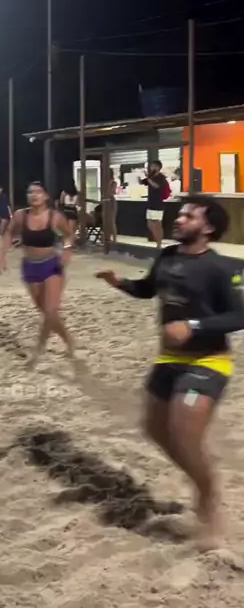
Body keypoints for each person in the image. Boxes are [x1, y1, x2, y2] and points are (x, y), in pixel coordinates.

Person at [96, 194, 244, 549]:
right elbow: (149, 289)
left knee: (185, 428)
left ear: (208, 227)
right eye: (179, 214)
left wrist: (193, 326)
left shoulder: (223, 268)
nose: (178, 219)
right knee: (155, 429)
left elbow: (239, 315)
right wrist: (120, 283)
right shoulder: (167, 256)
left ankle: (208, 498)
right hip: (168, 360)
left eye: (188, 216)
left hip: (207, 362)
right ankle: (201, 480)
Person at [0, 180, 76, 370]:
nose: (34, 195)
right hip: (30, 267)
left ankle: (38, 352)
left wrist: (67, 251)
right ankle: (69, 340)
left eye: (38, 192)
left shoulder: (55, 217)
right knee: (47, 312)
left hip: (52, 265)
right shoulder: (21, 216)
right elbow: (8, 233)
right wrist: (2, 258)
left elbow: (69, 234)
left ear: (45, 196)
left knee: (50, 311)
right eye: (30, 192)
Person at [140, 160, 169, 248]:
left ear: (158, 167)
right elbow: (143, 182)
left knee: (157, 224)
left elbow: (157, 186)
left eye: (153, 166)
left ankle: (159, 244)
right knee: (150, 224)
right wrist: (144, 177)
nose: (151, 168)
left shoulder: (161, 177)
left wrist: (149, 179)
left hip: (158, 204)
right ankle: (157, 239)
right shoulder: (151, 176)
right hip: (150, 203)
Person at [108, 173, 118, 243]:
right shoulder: (111, 183)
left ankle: (114, 238)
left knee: (112, 221)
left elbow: (113, 191)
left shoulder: (112, 183)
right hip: (111, 201)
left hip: (111, 201)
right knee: (110, 222)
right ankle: (110, 237)